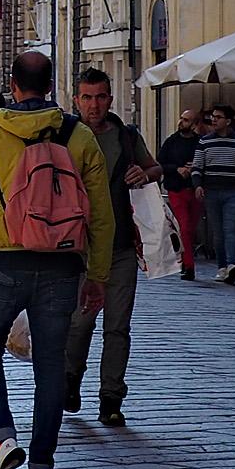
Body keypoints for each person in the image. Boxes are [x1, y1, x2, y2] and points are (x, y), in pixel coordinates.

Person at [0, 50, 113, 469]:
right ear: (51, 84)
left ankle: (3, 436)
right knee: (50, 365)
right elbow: (100, 214)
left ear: (13, 82)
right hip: (63, 262)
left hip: (5, 258)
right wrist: (97, 274)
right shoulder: (78, 135)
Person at [63, 69, 156, 425]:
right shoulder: (65, 136)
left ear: (110, 99)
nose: (94, 105)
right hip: (79, 248)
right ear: (76, 100)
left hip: (119, 248)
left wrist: (146, 174)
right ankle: (70, 380)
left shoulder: (126, 136)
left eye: (100, 97)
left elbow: (155, 167)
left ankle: (111, 399)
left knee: (117, 326)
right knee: (79, 323)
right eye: (87, 98)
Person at [192, 105, 235, 285]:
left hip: (234, 191)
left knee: (230, 229)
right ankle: (222, 266)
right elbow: (197, 167)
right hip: (212, 191)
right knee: (218, 232)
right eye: (212, 117)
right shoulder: (205, 142)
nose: (214, 120)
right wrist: (197, 186)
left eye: (218, 117)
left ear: (228, 121)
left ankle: (231, 264)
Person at [156, 108, 204, 282]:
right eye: (181, 118)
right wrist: (177, 169)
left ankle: (185, 259)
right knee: (184, 226)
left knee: (190, 228)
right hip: (176, 189)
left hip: (196, 189)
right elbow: (160, 163)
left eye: (186, 120)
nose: (181, 122)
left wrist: (194, 168)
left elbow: (205, 162)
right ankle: (189, 266)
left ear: (194, 124)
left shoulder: (200, 143)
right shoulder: (171, 142)